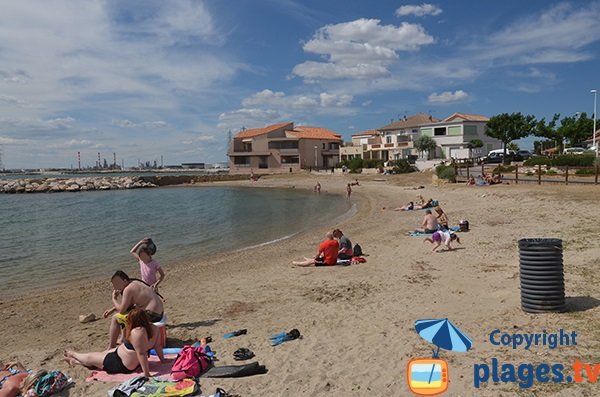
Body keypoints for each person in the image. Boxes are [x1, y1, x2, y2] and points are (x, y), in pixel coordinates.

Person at [65, 309, 167, 377]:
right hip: (123, 357)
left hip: (121, 363)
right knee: (100, 356)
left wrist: (147, 374)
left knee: (90, 358)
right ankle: (75, 362)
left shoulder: (137, 332)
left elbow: (142, 353)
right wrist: (162, 361)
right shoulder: (154, 328)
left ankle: (73, 354)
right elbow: (157, 346)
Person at [103, 271, 164, 349]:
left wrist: (114, 299)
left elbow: (122, 310)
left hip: (151, 315)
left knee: (115, 318)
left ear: (125, 281)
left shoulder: (128, 289)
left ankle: (111, 346)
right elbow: (128, 306)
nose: (116, 288)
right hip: (159, 313)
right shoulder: (136, 282)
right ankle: (123, 339)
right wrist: (112, 309)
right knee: (130, 313)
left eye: (117, 284)